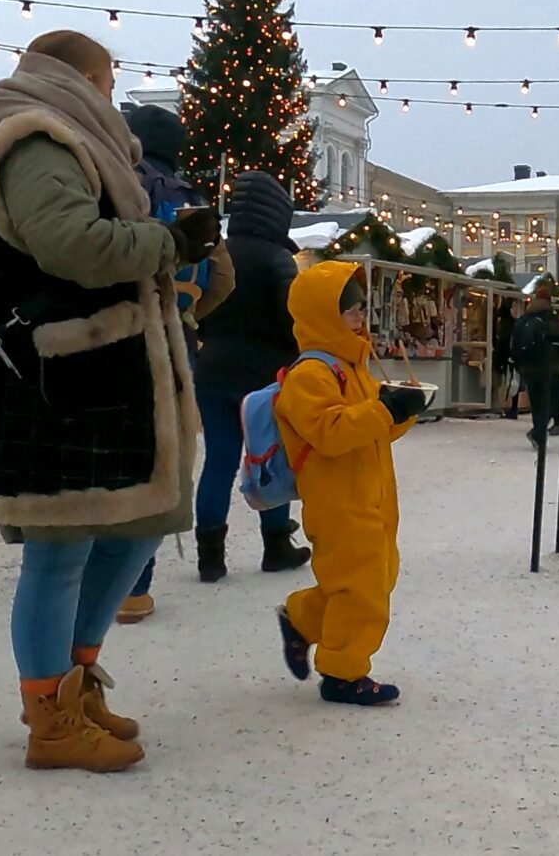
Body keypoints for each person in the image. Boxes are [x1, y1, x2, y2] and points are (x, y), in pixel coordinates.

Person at [0, 30, 217, 772]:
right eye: (109, 80)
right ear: (88, 77)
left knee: (133, 530)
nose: (113, 95)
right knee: (59, 550)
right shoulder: (37, 138)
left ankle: (74, 687)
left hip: (101, 378)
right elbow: (70, 242)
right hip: (49, 382)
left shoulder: (81, 142)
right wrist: (166, 242)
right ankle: (50, 719)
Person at [273, 262, 427, 705]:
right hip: (338, 501)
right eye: (350, 311)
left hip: (372, 495)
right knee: (361, 590)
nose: (360, 318)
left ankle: (303, 618)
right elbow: (330, 432)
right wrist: (385, 411)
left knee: (375, 577)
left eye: (360, 309)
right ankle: (343, 673)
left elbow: (368, 428)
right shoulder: (310, 375)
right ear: (324, 314)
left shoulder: (351, 366)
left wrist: (400, 410)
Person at [116, 105, 235, 624]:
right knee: (166, 459)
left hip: (123, 334)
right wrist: (187, 315)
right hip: (177, 341)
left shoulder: (123, 185)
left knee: (117, 455)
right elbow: (224, 278)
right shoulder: (195, 200)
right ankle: (137, 584)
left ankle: (105, 581)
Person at [189, 170, 312, 581]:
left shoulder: (216, 252)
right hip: (263, 376)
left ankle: (210, 556)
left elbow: (200, 309)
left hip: (213, 370)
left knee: (219, 463)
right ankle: (275, 544)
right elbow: (291, 317)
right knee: (269, 457)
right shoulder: (277, 258)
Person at [510, 288, 559, 451]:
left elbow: (514, 343)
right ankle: (538, 433)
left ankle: (539, 435)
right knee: (550, 402)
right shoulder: (552, 320)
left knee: (536, 403)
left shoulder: (523, 319)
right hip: (549, 367)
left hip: (528, 368)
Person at [492, 298, 520, 418]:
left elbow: (499, 342)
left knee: (505, 383)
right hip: (508, 358)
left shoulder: (502, 324)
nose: (516, 310)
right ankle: (511, 407)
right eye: (514, 307)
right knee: (511, 382)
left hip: (503, 358)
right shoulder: (511, 324)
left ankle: (506, 407)